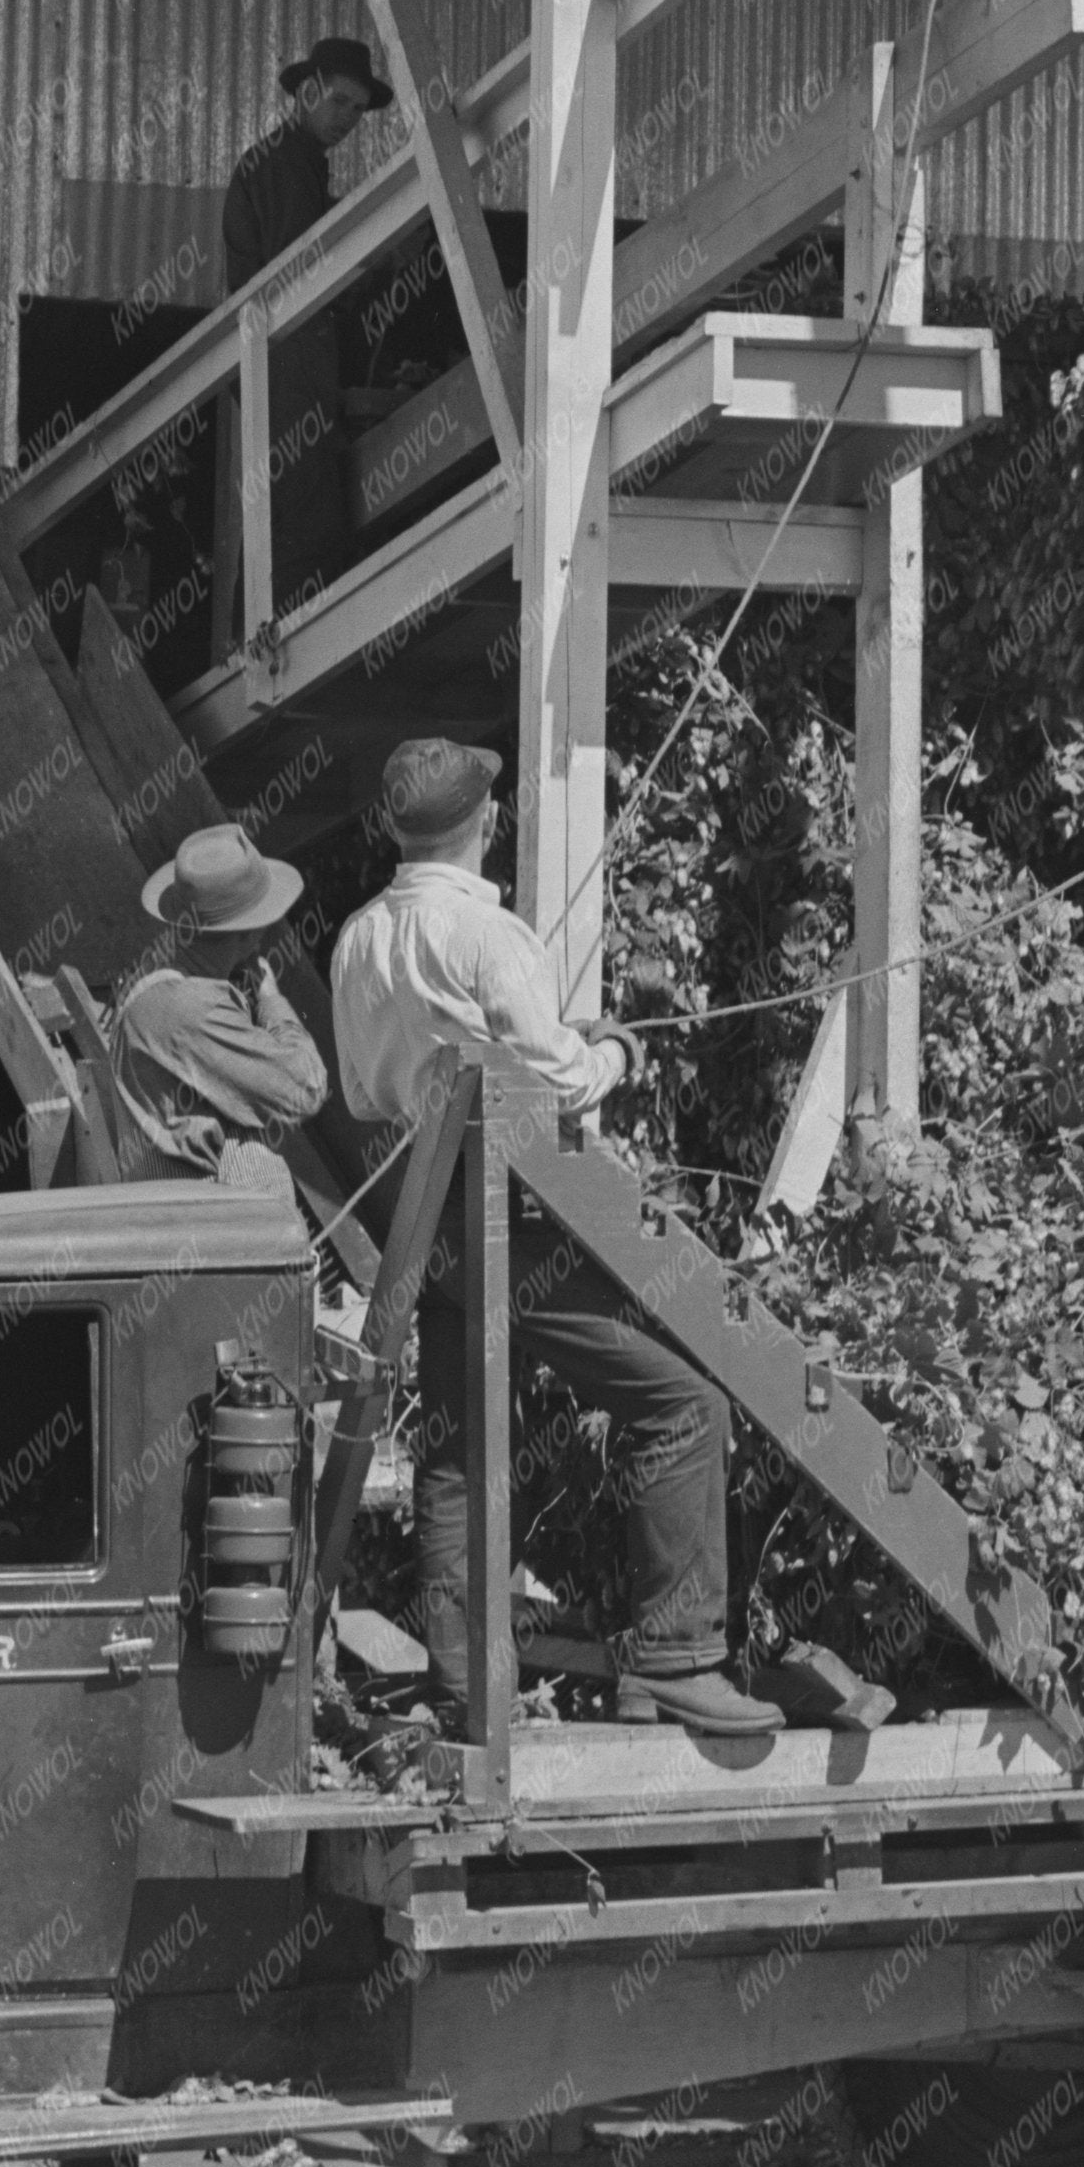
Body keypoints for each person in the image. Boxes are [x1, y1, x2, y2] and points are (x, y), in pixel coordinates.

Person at [328, 733, 790, 1762]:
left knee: (455, 1448)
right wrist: (617, 1046)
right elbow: (562, 1079)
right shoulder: (493, 939)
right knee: (683, 1402)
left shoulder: (357, 939)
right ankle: (675, 1659)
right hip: (505, 1218)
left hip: (418, 1222)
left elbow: (365, 1092)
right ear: (486, 822)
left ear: (399, 830)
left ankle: (461, 1684)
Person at [215, 33, 391, 634]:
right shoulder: (286, 168)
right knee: (306, 522)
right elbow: (298, 279)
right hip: (287, 369)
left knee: (287, 520)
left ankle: (252, 658)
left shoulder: (292, 166)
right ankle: (263, 663)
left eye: (357, 110)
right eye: (340, 102)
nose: (349, 119)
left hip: (285, 370)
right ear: (307, 92)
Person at [103, 822, 330, 1183]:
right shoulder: (191, 1009)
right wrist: (271, 1000)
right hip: (215, 1226)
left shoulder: (164, 980)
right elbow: (305, 1089)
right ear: (248, 932)